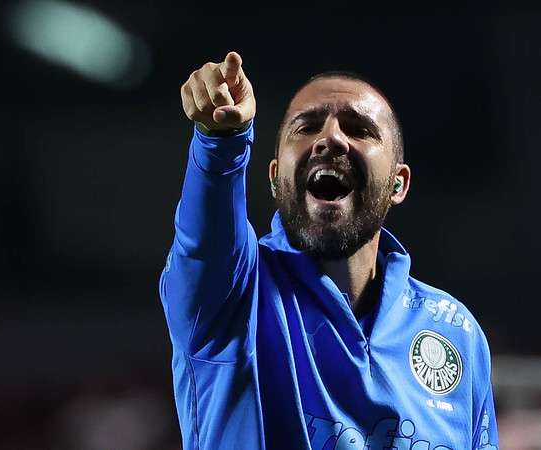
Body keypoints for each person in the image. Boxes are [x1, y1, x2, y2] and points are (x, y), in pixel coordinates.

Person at [159, 50, 499, 450]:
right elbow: (203, 240)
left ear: (397, 183)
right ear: (274, 179)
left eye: (358, 129)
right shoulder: (232, 296)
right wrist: (220, 141)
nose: (331, 138)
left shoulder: (455, 331)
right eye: (306, 127)